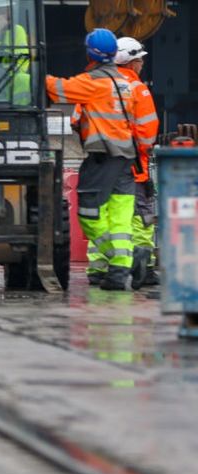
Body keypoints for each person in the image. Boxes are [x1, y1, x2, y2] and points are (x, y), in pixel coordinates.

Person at [47, 28, 138, 290]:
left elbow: (57, 90)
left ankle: (120, 264)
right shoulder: (124, 84)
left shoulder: (93, 83)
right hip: (126, 158)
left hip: (102, 157)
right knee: (121, 218)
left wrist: (34, 74)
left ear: (90, 52)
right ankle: (119, 274)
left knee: (88, 213)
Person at [115, 37, 160, 288]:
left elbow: (79, 121)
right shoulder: (137, 88)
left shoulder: (100, 83)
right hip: (135, 165)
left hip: (106, 165)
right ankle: (145, 268)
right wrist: (141, 150)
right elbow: (148, 131)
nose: (142, 64)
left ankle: (102, 267)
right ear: (131, 63)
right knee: (141, 216)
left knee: (110, 216)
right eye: (139, 59)